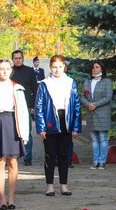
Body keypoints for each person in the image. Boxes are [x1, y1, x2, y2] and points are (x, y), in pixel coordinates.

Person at [0, 59, 30, 210]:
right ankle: (2, 198)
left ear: (11, 70)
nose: (4, 71)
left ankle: (11, 198)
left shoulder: (17, 88)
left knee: (13, 162)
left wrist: (25, 133)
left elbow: (23, 112)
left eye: (7, 69)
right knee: (0, 161)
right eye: (1, 69)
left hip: (13, 123)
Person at [35, 55, 81, 196]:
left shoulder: (71, 82)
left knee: (64, 155)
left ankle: (63, 185)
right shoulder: (44, 83)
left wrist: (75, 126)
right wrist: (41, 128)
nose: (57, 70)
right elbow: (39, 106)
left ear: (64, 67)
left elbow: (76, 105)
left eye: (60, 67)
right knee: (50, 155)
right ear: (50, 67)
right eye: (54, 67)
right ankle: (50, 186)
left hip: (65, 121)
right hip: (50, 121)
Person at [81, 60, 113, 170]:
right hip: (91, 113)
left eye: (97, 67)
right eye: (93, 67)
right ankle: (95, 162)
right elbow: (82, 96)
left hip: (102, 113)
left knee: (103, 138)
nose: (94, 69)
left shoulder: (107, 81)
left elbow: (108, 97)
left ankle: (102, 161)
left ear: (102, 69)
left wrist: (95, 104)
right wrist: (88, 104)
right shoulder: (87, 82)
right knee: (94, 139)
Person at [10, 50, 38, 166]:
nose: (18, 60)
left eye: (19, 58)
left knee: (26, 132)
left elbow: (34, 89)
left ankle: (28, 157)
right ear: (12, 59)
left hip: (25, 106)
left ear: (23, 58)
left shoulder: (29, 71)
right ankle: (11, 156)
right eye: (15, 58)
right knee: (11, 132)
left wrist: (33, 106)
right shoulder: (9, 71)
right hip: (10, 106)